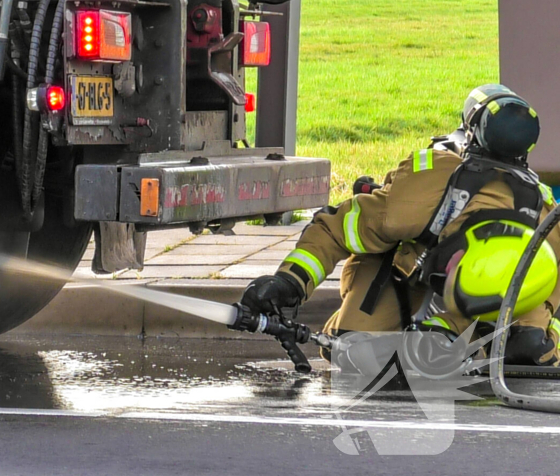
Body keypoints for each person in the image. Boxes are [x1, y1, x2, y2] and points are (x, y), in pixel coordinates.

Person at [240, 84, 560, 365]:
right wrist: (291, 282)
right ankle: (453, 338)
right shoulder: (423, 195)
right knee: (352, 349)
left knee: (528, 349)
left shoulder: (541, 213)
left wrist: (541, 328)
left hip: (506, 295)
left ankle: (471, 338)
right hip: (412, 275)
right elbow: (335, 229)